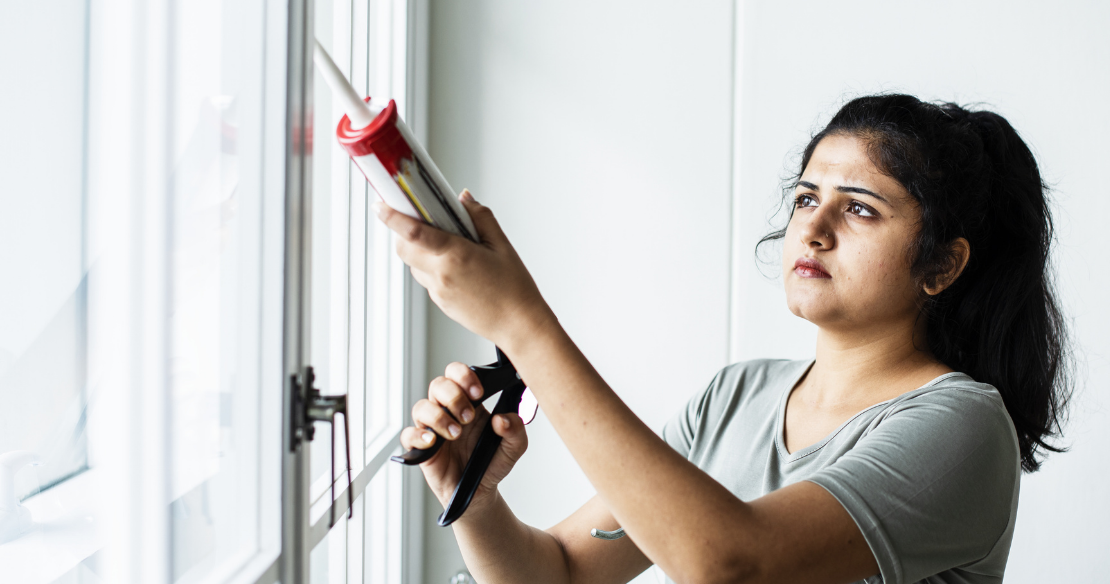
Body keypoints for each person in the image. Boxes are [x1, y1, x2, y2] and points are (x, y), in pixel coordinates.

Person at [375, 94, 1071, 584]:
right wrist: (474, 498)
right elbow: (558, 575)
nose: (814, 226)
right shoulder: (739, 394)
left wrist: (522, 324)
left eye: (859, 208)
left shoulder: (963, 425)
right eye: (806, 198)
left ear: (943, 264)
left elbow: (730, 564)